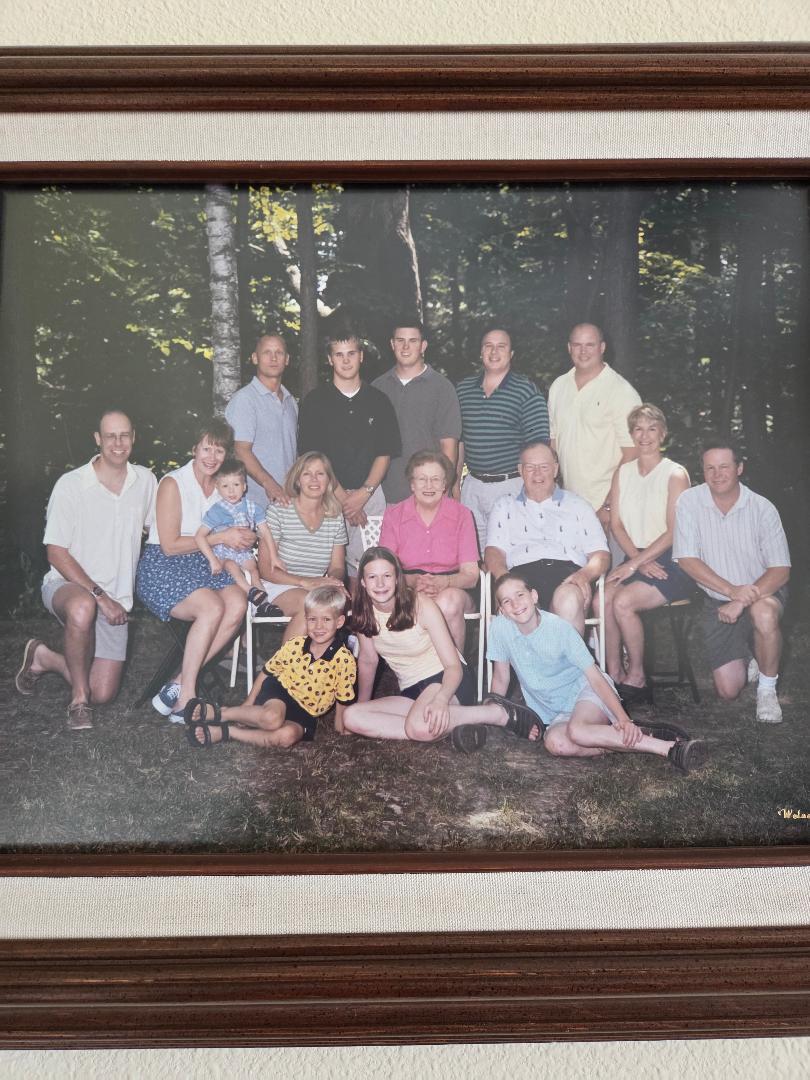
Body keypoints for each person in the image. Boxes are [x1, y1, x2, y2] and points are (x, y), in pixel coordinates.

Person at [15, 409, 157, 731]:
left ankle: (44, 658)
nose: (118, 443)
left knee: (103, 693)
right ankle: (78, 702)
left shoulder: (146, 481)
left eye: (125, 435)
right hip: (67, 585)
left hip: (116, 600)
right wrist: (100, 596)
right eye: (110, 436)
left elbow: (159, 533)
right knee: (83, 607)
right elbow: (55, 552)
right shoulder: (72, 484)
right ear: (98, 439)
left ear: (134, 437)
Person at [486, 572, 706, 772]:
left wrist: (623, 718)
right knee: (556, 743)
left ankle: (670, 749)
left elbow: (594, 677)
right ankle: (631, 738)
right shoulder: (499, 628)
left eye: (520, 595)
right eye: (507, 601)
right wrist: (494, 716)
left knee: (578, 731)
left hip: (587, 690)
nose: (515, 604)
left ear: (533, 596)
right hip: (556, 711)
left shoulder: (560, 629)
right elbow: (500, 677)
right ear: (501, 610)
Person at [343, 547, 538, 749]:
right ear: (363, 582)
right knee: (352, 717)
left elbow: (453, 666)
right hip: (411, 691)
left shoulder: (421, 605)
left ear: (397, 578)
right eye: (373, 577)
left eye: (387, 575)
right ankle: (449, 725)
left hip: (447, 680)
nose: (381, 584)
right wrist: (363, 704)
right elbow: (368, 660)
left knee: (418, 726)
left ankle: (495, 714)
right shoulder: (363, 612)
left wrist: (442, 699)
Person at [135, 418, 250, 722]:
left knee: (238, 603)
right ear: (194, 449)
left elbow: (235, 531)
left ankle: (176, 684)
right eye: (207, 449)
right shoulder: (173, 483)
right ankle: (186, 698)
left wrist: (241, 537)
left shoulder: (223, 487)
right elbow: (170, 544)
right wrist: (222, 537)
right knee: (212, 608)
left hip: (204, 563)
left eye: (220, 451)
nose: (212, 457)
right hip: (164, 564)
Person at [673, 438, 791, 723]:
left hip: (763, 590)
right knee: (727, 690)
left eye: (724, 466)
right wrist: (731, 592)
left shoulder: (763, 508)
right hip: (718, 598)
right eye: (710, 468)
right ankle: (752, 655)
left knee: (763, 614)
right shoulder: (689, 502)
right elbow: (687, 560)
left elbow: (780, 570)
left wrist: (741, 599)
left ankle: (767, 690)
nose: (717, 474)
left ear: (739, 468)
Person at [597, 404, 695, 703]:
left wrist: (637, 564)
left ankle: (637, 676)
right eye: (638, 429)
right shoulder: (622, 473)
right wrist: (634, 563)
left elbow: (674, 531)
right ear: (631, 434)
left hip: (672, 558)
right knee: (601, 598)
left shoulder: (675, 474)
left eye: (652, 428)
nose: (645, 435)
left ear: (663, 433)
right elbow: (616, 524)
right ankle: (612, 674)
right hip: (634, 555)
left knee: (624, 602)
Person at [185, 584, 357, 749]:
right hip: (280, 691)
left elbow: (344, 697)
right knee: (272, 718)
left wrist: (340, 728)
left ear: (340, 621)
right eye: (312, 619)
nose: (319, 626)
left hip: (306, 711)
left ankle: (226, 732)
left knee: (286, 736)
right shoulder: (295, 645)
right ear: (306, 619)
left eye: (326, 619)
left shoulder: (344, 660)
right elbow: (268, 671)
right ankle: (220, 713)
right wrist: (249, 701)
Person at [297, 329, 401, 577]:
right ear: (330, 359)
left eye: (351, 353)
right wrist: (344, 499)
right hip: (326, 494)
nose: (345, 360)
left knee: (370, 570)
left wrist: (363, 495)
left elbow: (384, 453)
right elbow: (313, 457)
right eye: (339, 354)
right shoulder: (314, 402)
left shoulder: (379, 400)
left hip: (371, 497)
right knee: (330, 570)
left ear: (361, 357)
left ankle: (368, 617)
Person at [484, 441, 609, 635]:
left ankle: (567, 664)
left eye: (544, 467)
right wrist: (504, 579)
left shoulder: (578, 505)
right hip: (520, 576)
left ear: (555, 469)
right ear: (520, 470)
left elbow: (601, 554)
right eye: (530, 467)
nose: (537, 474)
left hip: (567, 575)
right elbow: (493, 551)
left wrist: (584, 575)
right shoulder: (504, 505)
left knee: (568, 598)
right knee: (518, 600)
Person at [456, 327, 550, 551]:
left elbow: (538, 446)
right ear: (481, 352)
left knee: (510, 553)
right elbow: (458, 441)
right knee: (472, 554)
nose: (494, 352)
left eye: (501, 346)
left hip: (511, 485)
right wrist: (455, 483)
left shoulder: (526, 391)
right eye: (488, 346)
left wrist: (533, 489)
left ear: (511, 353)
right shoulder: (463, 390)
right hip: (472, 486)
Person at [379, 450, 479, 651]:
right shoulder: (394, 516)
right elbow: (384, 571)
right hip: (407, 588)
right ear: (412, 484)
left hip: (456, 589)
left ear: (445, 485)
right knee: (416, 603)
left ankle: (454, 673)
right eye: (422, 479)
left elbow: (472, 576)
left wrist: (445, 582)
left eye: (435, 479)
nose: (428, 486)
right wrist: (413, 581)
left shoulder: (462, 515)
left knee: (447, 602)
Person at [547, 323, 641, 532]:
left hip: (612, 509)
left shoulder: (621, 391)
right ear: (569, 347)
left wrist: (608, 505)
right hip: (569, 504)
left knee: (613, 565)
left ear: (602, 347)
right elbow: (553, 444)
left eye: (590, 345)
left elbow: (633, 453)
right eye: (577, 345)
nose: (583, 351)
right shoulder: (558, 386)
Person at [256, 451, 348, 640]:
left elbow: (337, 567)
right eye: (307, 473)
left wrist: (334, 583)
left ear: (329, 481)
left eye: (320, 473)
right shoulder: (279, 511)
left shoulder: (335, 516)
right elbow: (266, 569)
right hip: (277, 585)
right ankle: (283, 670)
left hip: (316, 588)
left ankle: (313, 666)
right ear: (297, 480)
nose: (314, 479)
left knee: (329, 605)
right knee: (312, 607)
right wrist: (305, 583)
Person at [372, 320, 462, 504]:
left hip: (429, 495)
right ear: (392, 344)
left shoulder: (442, 388)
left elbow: (449, 447)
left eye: (413, 341)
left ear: (423, 346)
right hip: (386, 497)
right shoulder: (377, 387)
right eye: (400, 340)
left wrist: (442, 494)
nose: (405, 346)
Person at [224, 333, 298, 511]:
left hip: (288, 502)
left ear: (287, 359)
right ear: (255, 358)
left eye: (279, 353)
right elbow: (241, 450)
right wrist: (269, 484)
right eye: (267, 352)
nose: (273, 358)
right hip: (253, 505)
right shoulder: (245, 400)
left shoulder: (291, 402)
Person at [194, 457, 273, 604]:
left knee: (254, 571)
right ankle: (250, 591)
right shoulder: (217, 510)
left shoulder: (252, 507)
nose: (231, 490)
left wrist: (274, 557)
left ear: (244, 486)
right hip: (222, 554)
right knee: (231, 566)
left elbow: (266, 532)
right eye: (225, 486)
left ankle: (264, 604)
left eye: (236, 484)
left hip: (243, 552)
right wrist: (213, 560)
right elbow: (199, 537)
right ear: (217, 487)